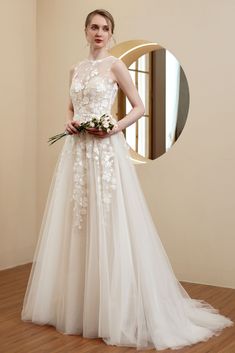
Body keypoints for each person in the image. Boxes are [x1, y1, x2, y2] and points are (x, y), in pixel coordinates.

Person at [21, 8, 234, 351]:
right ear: (86, 30)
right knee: (78, 220)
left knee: (108, 220)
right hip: (77, 153)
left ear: (111, 33)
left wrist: (113, 127)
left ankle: (113, 309)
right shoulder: (75, 69)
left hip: (105, 153)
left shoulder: (115, 65)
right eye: (94, 27)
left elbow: (139, 107)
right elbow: (70, 107)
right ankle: (81, 307)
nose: (100, 32)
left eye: (106, 28)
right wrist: (69, 123)